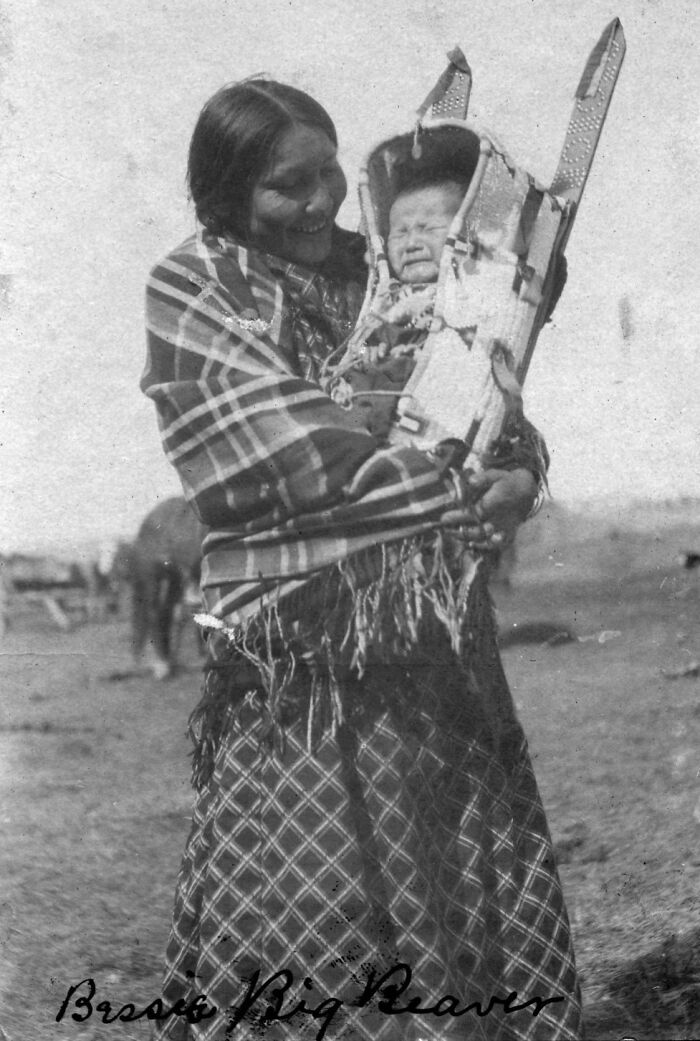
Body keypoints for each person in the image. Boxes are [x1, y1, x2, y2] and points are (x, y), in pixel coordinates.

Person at [142, 77, 583, 1040]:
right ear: (226, 195)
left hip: (431, 645)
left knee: (449, 861)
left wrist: (508, 479)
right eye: (284, 187)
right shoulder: (195, 288)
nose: (319, 203)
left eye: (328, 173)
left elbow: (483, 386)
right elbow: (290, 454)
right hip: (302, 661)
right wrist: (453, 477)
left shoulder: (386, 263)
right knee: (313, 906)